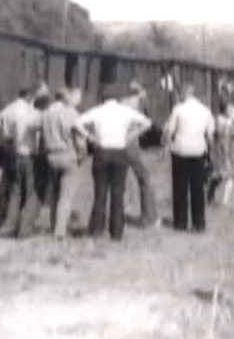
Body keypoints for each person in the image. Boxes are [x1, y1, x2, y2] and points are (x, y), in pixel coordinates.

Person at [78, 84, 152, 241]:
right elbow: (147, 123)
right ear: (118, 98)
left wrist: (90, 137)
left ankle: (97, 229)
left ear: (103, 97)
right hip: (120, 151)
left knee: (100, 192)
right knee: (118, 192)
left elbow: (78, 123)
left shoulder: (98, 110)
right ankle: (117, 232)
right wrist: (131, 135)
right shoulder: (125, 111)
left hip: (102, 151)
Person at [163, 83, 215, 231]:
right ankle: (199, 223)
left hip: (180, 150)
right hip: (198, 150)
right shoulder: (205, 110)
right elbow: (210, 134)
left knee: (180, 187)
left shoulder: (178, 109)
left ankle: (180, 222)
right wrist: (210, 153)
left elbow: (170, 131)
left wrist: (165, 146)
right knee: (197, 188)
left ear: (183, 94)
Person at [0, 85, 44, 238]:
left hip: (14, 153)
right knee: (31, 193)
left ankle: (8, 226)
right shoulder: (31, 112)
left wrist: (7, 134)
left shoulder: (10, 109)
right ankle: (25, 229)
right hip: (29, 154)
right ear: (30, 96)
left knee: (15, 192)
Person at [42, 88, 88, 239]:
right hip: (68, 155)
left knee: (54, 193)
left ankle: (53, 224)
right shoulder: (70, 113)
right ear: (65, 98)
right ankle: (60, 231)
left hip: (50, 156)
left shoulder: (46, 113)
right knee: (66, 196)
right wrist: (82, 155)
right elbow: (79, 137)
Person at [121, 80, 159, 228]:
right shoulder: (136, 104)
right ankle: (149, 217)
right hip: (130, 143)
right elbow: (148, 121)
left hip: (116, 143)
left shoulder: (121, 103)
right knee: (144, 179)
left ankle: (118, 213)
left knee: (119, 179)